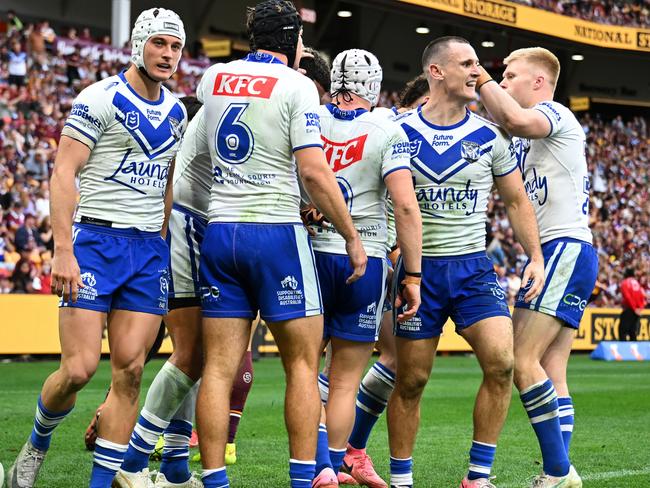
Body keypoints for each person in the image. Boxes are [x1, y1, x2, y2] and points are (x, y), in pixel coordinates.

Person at [6, 8, 187, 488]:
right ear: (138, 46)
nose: (168, 55)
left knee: (128, 371)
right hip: (95, 243)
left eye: (175, 47)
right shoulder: (98, 98)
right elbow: (63, 173)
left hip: (147, 250)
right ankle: (36, 447)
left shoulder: (176, 111)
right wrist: (62, 249)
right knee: (80, 369)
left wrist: (164, 242)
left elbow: (168, 181)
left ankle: (100, 484)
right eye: (159, 44)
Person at [194, 2, 367, 488]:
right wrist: (352, 235)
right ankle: (302, 480)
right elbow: (313, 170)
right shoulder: (297, 86)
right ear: (294, 42)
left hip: (220, 230)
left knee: (220, 368)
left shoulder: (213, 77)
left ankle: (213, 480)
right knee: (302, 363)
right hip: (274, 232)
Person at [386, 37, 545, 488]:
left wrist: (534, 256)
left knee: (501, 363)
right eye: (467, 63)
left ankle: (477, 477)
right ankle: (401, 478)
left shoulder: (490, 136)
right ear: (437, 72)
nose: (478, 71)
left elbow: (515, 199)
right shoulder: (397, 132)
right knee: (412, 380)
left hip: (474, 269)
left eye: (478, 63)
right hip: (421, 271)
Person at [477, 46, 599, 487]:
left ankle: (557, 471)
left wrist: (479, 78)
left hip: (563, 247)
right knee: (551, 369)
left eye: (510, 75)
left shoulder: (556, 115)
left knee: (520, 360)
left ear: (539, 83)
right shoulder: (532, 137)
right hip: (572, 249)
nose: (503, 80)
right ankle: (560, 471)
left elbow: (511, 118)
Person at [304, 48, 422, 487]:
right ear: (372, 84)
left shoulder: (309, 116)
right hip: (365, 259)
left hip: (310, 253)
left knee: (303, 369)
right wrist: (412, 274)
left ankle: (317, 466)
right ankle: (334, 467)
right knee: (345, 379)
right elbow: (406, 207)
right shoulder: (387, 129)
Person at [619, 268, 646, 341]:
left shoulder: (625, 282)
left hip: (629, 308)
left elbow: (627, 297)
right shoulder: (636, 283)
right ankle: (634, 350)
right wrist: (640, 308)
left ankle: (623, 349)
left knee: (622, 330)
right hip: (636, 310)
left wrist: (634, 309)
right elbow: (642, 296)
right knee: (633, 331)